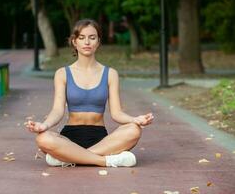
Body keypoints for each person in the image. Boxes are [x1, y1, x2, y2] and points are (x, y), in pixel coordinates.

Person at [26, 19, 154, 167]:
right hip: (70, 137)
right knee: (43, 139)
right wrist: (44, 126)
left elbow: (117, 113)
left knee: (134, 130)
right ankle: (105, 161)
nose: (87, 42)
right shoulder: (62, 73)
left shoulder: (110, 73)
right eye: (82, 37)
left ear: (98, 42)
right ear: (74, 42)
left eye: (92, 37)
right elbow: (57, 110)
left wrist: (135, 119)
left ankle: (69, 158)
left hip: (100, 138)